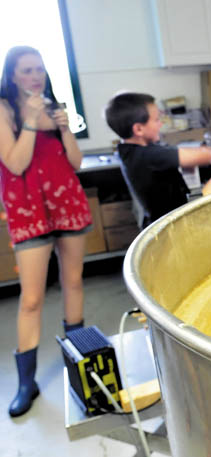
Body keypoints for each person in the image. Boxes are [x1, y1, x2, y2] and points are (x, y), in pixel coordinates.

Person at [0, 46, 91, 417]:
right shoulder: (4, 111)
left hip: (67, 202)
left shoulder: (53, 106)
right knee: (32, 299)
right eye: (26, 70)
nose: (35, 76)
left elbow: (76, 160)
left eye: (39, 69)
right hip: (28, 211)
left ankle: (79, 363)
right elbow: (16, 162)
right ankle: (27, 383)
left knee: (73, 283)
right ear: (11, 76)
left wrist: (65, 127)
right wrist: (35, 123)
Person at [104, 92, 211, 228]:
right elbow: (204, 156)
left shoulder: (131, 150)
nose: (161, 123)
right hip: (165, 227)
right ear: (139, 129)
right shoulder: (146, 155)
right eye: (157, 120)